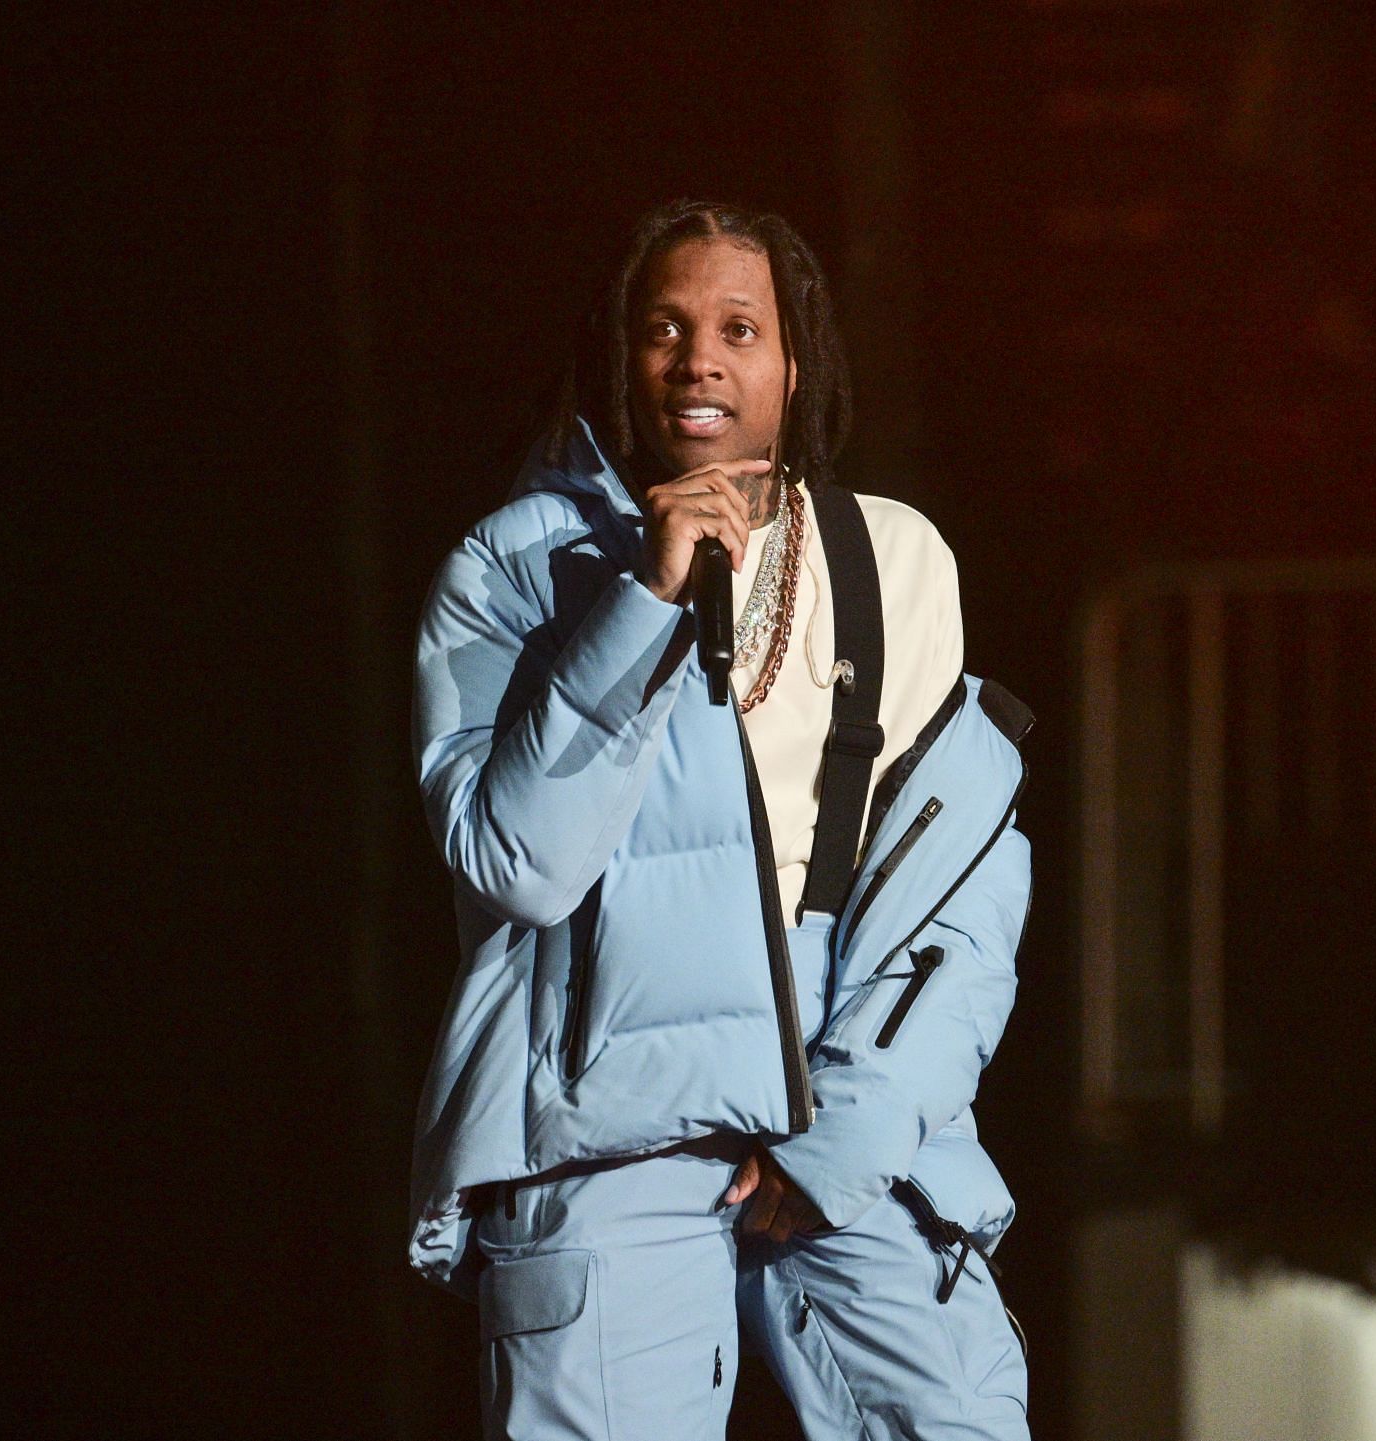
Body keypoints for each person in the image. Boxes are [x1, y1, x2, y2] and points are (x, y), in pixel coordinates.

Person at [410, 198, 1033, 1439]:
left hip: (841, 1083)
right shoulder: (516, 565)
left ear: (794, 362)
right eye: (666, 328)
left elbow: (962, 890)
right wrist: (644, 596)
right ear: (620, 357)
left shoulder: (892, 560)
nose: (700, 357)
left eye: (739, 328)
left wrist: (848, 1131)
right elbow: (516, 860)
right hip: (604, 1111)